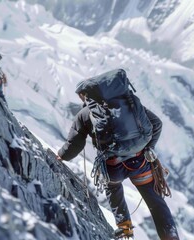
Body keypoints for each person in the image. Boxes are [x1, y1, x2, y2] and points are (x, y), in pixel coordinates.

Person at [57, 83, 179, 240]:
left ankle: (125, 229)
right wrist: (149, 147)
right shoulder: (128, 103)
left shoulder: (85, 114)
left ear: (85, 95)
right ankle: (170, 236)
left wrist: (62, 156)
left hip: (113, 166)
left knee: (113, 188)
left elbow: (75, 143)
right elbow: (156, 123)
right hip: (140, 162)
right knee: (155, 201)